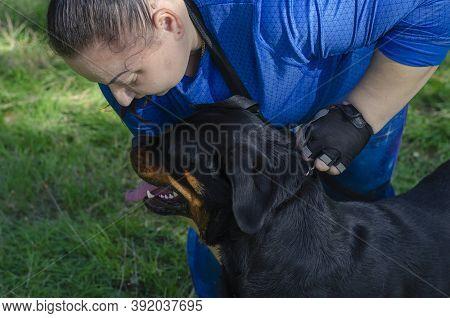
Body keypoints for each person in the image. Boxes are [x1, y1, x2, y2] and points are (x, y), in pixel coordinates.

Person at [47, 0, 449, 297]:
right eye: (105, 83)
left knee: (360, 228)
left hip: (347, 112)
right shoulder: (128, 68)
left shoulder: (288, 15)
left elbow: (431, 11)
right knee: (224, 238)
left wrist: (361, 114)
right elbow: (206, 189)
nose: (121, 99)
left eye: (128, 76)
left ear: (167, 21)